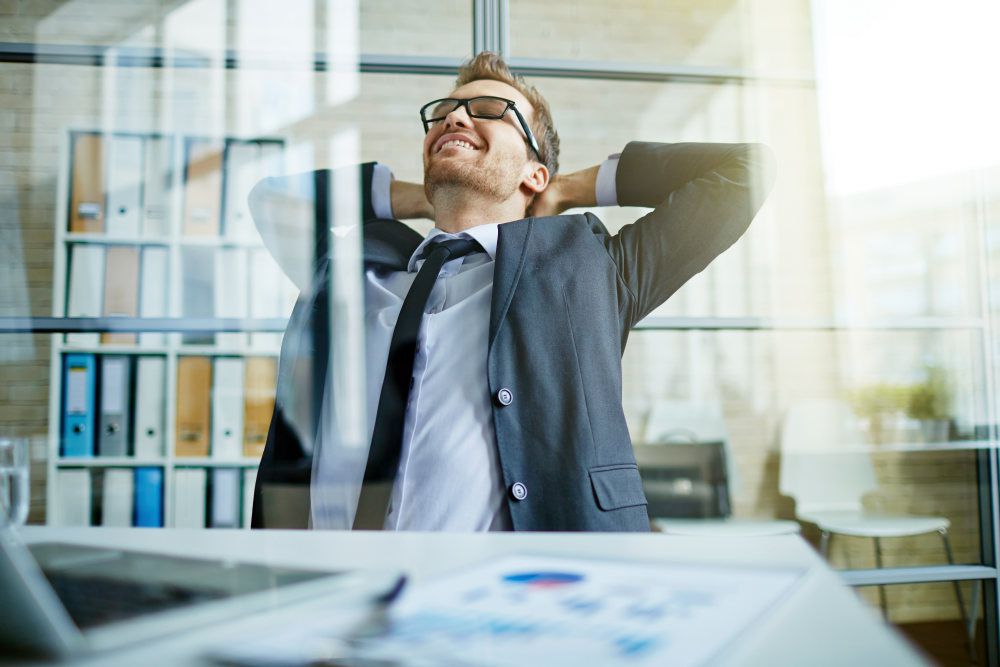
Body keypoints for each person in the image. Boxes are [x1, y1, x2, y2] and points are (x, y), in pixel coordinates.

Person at [249, 51, 775, 532]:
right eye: (446, 113)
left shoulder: (591, 270)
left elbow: (745, 172)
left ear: (534, 170)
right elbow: (274, 199)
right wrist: (426, 196)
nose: (455, 118)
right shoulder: (353, 271)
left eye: (489, 110)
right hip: (326, 595)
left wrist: (565, 188)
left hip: (506, 603)